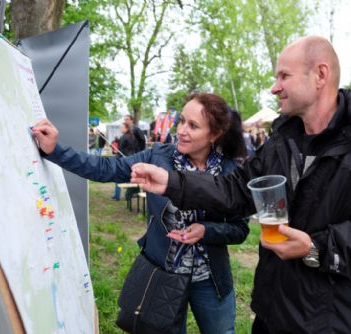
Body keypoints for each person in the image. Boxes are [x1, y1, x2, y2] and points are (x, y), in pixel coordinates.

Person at [130, 36, 351, 333]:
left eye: (284, 76)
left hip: (338, 323)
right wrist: (173, 181)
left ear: (320, 74)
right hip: (272, 315)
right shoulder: (282, 140)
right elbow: (236, 190)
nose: (275, 87)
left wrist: (318, 248)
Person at [32, 93, 250, 334]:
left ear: (215, 134)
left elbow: (240, 229)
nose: (182, 131)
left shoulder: (230, 172)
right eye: (182, 122)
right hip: (163, 276)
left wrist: (206, 230)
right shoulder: (158, 157)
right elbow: (104, 168)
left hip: (211, 280)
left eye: (193, 126)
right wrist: (55, 151)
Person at [112, 122, 138, 200]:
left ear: (126, 128)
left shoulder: (124, 137)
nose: (120, 128)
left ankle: (117, 196)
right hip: (131, 159)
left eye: (121, 127)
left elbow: (121, 149)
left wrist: (117, 152)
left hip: (123, 159)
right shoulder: (132, 136)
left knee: (118, 176)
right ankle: (128, 196)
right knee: (130, 177)